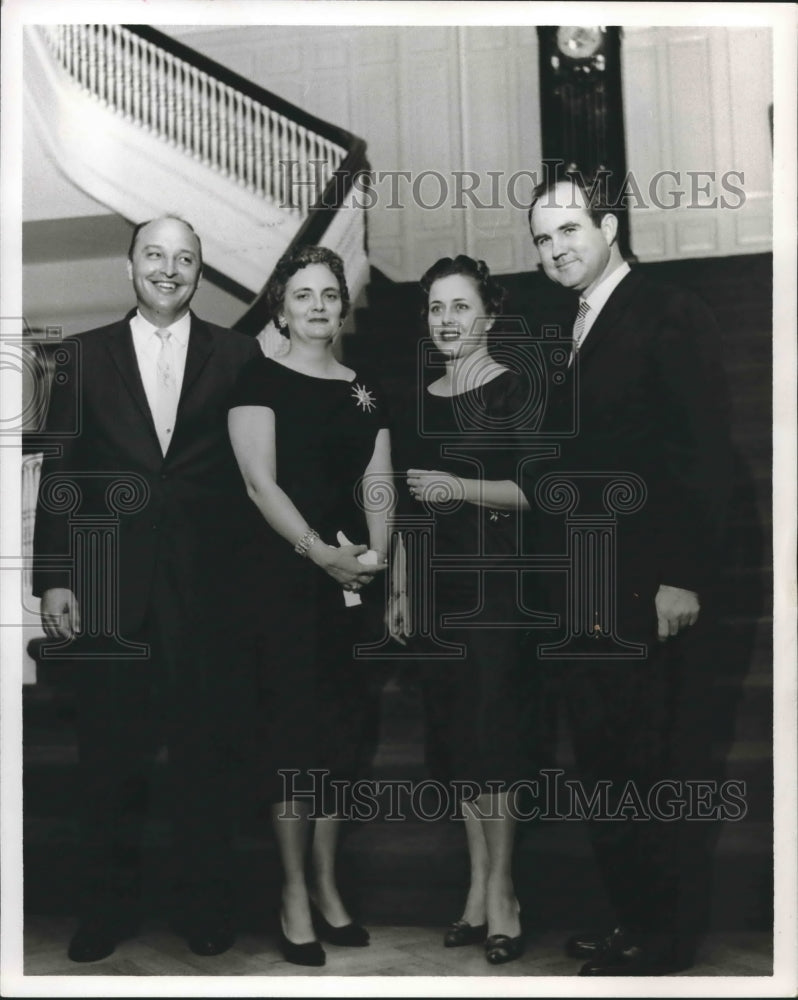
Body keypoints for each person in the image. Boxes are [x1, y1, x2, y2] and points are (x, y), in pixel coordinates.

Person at [32, 215, 262, 962]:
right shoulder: (79, 357)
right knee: (108, 761)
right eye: (155, 256)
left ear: (200, 271)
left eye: (185, 258)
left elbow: (255, 478)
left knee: (206, 758)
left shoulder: (239, 353)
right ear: (130, 267)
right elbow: (61, 475)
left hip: (209, 590)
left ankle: (206, 908)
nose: (170, 269)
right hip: (107, 590)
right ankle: (106, 912)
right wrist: (56, 578)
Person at [526, 172, 733, 975]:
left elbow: (702, 454)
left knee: (655, 762)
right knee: (607, 762)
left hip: (647, 586)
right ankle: (630, 922)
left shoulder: (670, 312)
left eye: (569, 231)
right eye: (543, 241)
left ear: (608, 224)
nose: (556, 251)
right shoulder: (569, 325)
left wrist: (682, 576)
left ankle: (667, 937)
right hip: (584, 590)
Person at [227, 245, 391, 967]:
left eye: (330, 294)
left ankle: (328, 887)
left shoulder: (364, 386)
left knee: (341, 741)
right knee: (293, 744)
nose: (319, 306)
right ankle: (293, 892)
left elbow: (379, 478)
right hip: (283, 584)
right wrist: (318, 552)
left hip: (350, 586)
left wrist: (377, 552)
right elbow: (261, 486)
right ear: (280, 308)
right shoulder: (255, 377)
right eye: (304, 296)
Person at [390, 255, 534, 966]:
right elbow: (412, 506)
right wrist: (398, 587)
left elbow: (541, 492)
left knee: (495, 739)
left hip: (500, 588)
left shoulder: (515, 391)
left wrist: (461, 488)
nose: (446, 319)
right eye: (435, 308)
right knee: (455, 742)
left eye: (459, 306)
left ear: (489, 315)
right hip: (437, 593)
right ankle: (477, 887)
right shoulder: (421, 395)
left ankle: (504, 893)